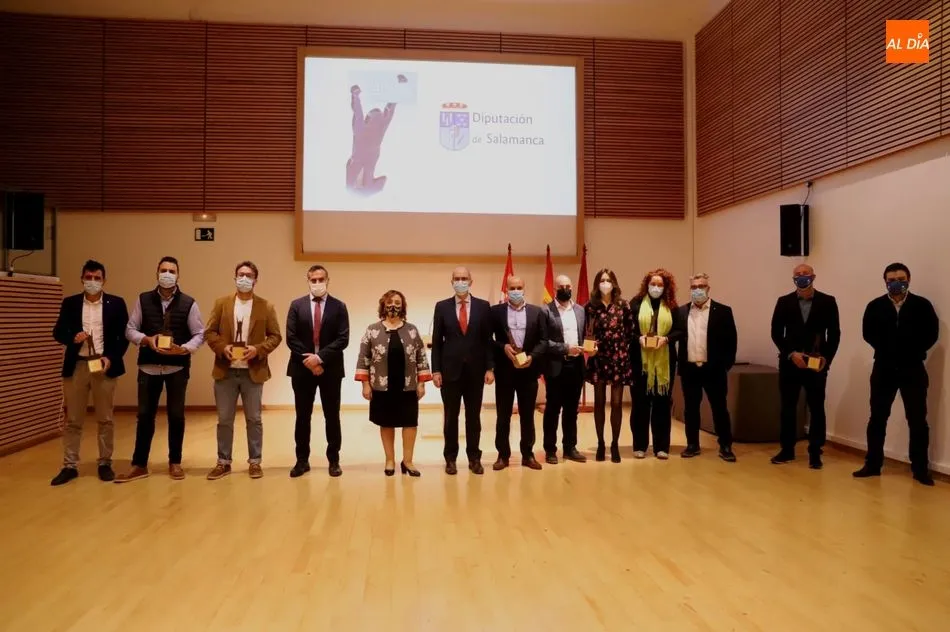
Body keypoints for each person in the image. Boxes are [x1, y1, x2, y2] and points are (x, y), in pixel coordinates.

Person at [115, 256, 204, 483]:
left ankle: (175, 462)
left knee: (176, 416)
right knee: (145, 416)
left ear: (178, 275)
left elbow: (199, 334)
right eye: (163, 270)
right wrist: (146, 340)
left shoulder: (189, 302)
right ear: (157, 273)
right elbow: (129, 329)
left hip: (177, 369)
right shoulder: (143, 299)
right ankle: (139, 464)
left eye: (171, 271)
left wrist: (183, 349)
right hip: (148, 367)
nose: (167, 274)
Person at [854, 263, 939, 486]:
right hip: (884, 368)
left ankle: (920, 469)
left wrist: (911, 351)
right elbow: (868, 333)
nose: (896, 282)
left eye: (901, 278)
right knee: (878, 418)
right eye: (891, 279)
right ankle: (872, 465)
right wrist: (889, 350)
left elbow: (931, 334)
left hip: (913, 369)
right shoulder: (875, 306)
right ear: (885, 282)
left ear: (909, 279)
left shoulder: (922, 305)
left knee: (918, 420)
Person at [50, 260, 130, 486]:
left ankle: (105, 462)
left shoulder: (116, 303)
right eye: (89, 277)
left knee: (105, 418)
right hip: (77, 366)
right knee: (73, 418)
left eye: (97, 278)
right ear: (82, 279)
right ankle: (70, 465)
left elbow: (123, 338)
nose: (92, 281)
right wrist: (71, 338)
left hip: (103, 365)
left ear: (104, 280)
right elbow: (57, 332)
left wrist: (111, 358)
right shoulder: (71, 303)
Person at [203, 262, 283, 480]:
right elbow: (209, 332)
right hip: (225, 371)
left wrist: (257, 350)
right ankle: (223, 462)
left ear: (256, 280)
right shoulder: (222, 304)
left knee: (254, 419)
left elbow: (276, 336)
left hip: (253, 371)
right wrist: (223, 347)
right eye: (241, 275)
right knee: (224, 419)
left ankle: (255, 462)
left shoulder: (265, 306)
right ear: (235, 277)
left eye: (249, 275)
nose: (244, 278)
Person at [769, 263, 840, 469]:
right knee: (788, 408)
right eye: (798, 275)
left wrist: (827, 358)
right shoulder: (783, 302)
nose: (802, 277)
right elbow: (776, 332)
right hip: (790, 363)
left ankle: (815, 452)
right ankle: (787, 450)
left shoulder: (828, 301)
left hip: (817, 364)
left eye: (805, 274)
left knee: (817, 408)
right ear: (793, 279)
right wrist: (791, 353)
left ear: (813, 276)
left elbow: (834, 333)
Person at [356, 290, 431, 476]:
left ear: (403, 306)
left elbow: (421, 356)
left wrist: (422, 383)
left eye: (398, 302)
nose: (393, 306)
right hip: (381, 386)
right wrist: (365, 384)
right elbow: (363, 358)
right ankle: (389, 460)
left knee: (409, 422)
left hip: (408, 385)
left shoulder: (412, 330)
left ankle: (408, 461)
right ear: (383, 305)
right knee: (386, 422)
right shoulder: (372, 330)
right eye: (390, 302)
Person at [286, 264, 350, 478]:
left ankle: (333, 460)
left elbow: (343, 338)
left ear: (327, 280)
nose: (317, 283)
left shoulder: (339, 306)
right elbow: (291, 337)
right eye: (313, 280)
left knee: (332, 416)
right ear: (308, 281)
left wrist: (320, 358)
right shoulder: (296, 305)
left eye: (320, 279)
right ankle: (302, 460)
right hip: (301, 369)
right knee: (302, 416)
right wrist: (310, 361)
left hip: (330, 369)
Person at [431, 266, 494, 475]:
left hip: (475, 372)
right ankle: (450, 458)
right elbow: (437, 342)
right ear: (451, 282)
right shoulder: (442, 307)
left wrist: (490, 368)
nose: (460, 281)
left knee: (473, 418)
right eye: (457, 278)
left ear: (471, 281)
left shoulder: (484, 307)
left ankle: (474, 458)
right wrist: (436, 370)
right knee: (451, 417)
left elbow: (487, 341)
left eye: (464, 278)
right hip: (450, 372)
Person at [676, 273, 738, 462]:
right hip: (690, 369)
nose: (698, 290)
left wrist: (724, 366)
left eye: (701, 286)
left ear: (708, 289)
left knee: (719, 408)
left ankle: (725, 445)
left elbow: (731, 342)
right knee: (691, 408)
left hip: (714, 370)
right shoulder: (681, 312)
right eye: (694, 287)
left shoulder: (723, 311)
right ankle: (692, 445)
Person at [489, 276, 547, 471]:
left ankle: (528, 454)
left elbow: (543, 341)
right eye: (512, 288)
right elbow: (487, 340)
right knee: (503, 415)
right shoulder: (495, 312)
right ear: (506, 289)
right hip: (505, 371)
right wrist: (503, 346)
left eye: (519, 287)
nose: (515, 291)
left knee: (527, 415)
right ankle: (502, 455)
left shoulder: (537, 312)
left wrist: (532, 357)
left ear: (524, 288)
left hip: (528, 370)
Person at [630, 269, 684, 460]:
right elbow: (628, 330)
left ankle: (661, 446)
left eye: (660, 284)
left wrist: (667, 339)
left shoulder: (672, 306)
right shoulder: (635, 304)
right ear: (647, 285)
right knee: (640, 404)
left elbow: (679, 330)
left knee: (662, 404)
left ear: (666, 287)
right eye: (653, 284)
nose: (656, 287)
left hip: (664, 362)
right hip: (640, 363)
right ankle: (640, 446)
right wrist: (639, 339)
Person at [585, 268, 634, 462]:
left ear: (614, 283)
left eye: (608, 280)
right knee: (598, 403)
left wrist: (621, 347)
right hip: (598, 359)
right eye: (602, 280)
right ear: (597, 284)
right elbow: (586, 332)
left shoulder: (623, 305)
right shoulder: (590, 306)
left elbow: (630, 331)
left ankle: (614, 444)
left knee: (616, 403)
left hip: (618, 359)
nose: (605, 283)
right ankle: (600, 443)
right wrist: (591, 347)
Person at [542, 275, 589, 464]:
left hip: (576, 366)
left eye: (568, 286)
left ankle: (570, 447)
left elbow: (585, 334)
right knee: (553, 409)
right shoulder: (546, 311)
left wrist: (589, 348)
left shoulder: (580, 310)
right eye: (561, 286)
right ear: (554, 289)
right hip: (556, 366)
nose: (565, 289)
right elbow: (544, 342)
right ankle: (550, 449)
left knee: (572, 410)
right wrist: (565, 348)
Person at [345, 74, 407, 195]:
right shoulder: (377, 126)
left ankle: (357, 193)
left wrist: (355, 94)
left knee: (360, 115)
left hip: (363, 156)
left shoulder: (368, 127)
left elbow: (383, 180)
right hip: (363, 157)